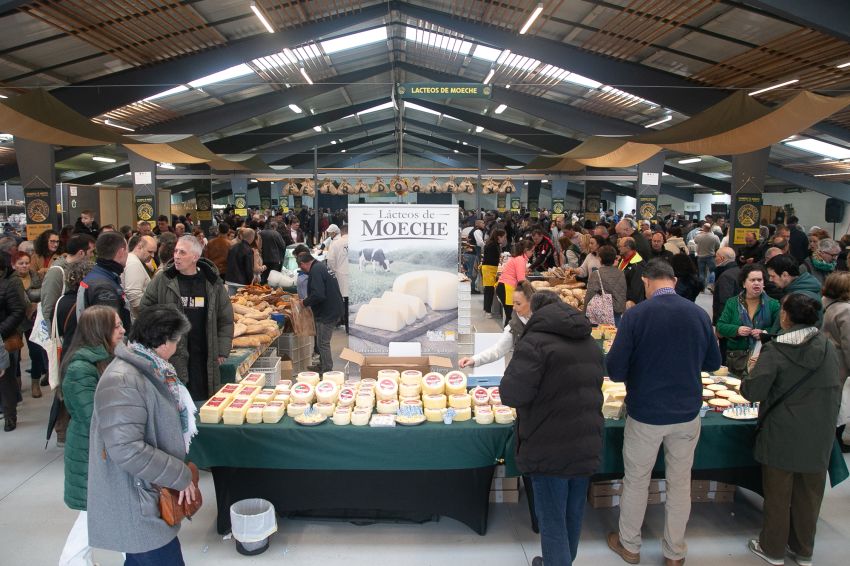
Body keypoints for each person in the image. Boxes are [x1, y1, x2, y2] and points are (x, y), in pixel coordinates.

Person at [606, 259, 721, 566]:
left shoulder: (636, 315)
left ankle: (630, 545)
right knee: (680, 484)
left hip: (646, 412)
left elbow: (615, 370)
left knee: (636, 480)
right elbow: (713, 363)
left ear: (646, 281)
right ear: (673, 280)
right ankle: (674, 553)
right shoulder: (698, 314)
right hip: (686, 412)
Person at [87, 305, 198, 564]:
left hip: (146, 492)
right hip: (136, 500)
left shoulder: (150, 368)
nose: (178, 346)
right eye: (177, 340)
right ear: (164, 342)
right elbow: (127, 449)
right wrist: (180, 476)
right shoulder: (123, 380)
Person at [501, 292, 604, 566]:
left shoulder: (534, 342)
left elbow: (512, 394)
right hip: (586, 442)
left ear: (536, 313)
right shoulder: (588, 341)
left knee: (552, 519)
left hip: (548, 445)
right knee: (572, 513)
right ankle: (560, 560)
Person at [742, 294, 841, 566]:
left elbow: (753, 391)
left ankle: (772, 549)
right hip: (819, 433)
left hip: (782, 433)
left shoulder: (776, 350)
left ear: (785, 316)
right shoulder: (827, 347)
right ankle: (803, 550)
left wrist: (750, 371)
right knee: (810, 496)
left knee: (778, 494)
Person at [58, 305, 125, 566]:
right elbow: (94, 419)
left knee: (112, 516)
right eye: (116, 326)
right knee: (91, 519)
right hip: (92, 456)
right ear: (100, 331)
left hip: (104, 453)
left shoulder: (108, 358)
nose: (123, 330)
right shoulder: (80, 368)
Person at [141, 236, 233, 400]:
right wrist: (159, 339)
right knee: (176, 399)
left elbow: (225, 318)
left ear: (195, 257)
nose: (176, 256)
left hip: (204, 353)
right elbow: (146, 310)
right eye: (176, 251)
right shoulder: (163, 280)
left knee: (203, 399)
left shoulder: (212, 282)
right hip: (173, 354)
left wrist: (222, 350)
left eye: (182, 252)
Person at [716, 264, 780, 377]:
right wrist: (737, 330)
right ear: (744, 284)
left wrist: (764, 333)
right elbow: (720, 326)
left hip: (761, 357)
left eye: (759, 280)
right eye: (752, 280)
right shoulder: (732, 302)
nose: (756, 283)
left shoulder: (773, 304)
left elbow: (779, 330)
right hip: (736, 358)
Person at [459, 281, 537, 369]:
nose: (514, 307)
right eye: (513, 303)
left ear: (531, 302)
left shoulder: (545, 321)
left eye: (518, 303)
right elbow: (498, 349)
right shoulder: (514, 325)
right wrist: (474, 360)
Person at [297, 252, 344, 372]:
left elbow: (318, 295)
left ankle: (327, 370)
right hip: (333, 308)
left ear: (302, 264)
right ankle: (322, 365)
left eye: (300, 267)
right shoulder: (320, 266)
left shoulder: (316, 270)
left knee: (323, 343)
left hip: (328, 312)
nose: (302, 270)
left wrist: (305, 302)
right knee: (320, 342)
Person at [78, 232, 132, 334]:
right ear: (121, 252)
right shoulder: (103, 287)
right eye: (127, 251)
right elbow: (110, 332)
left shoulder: (99, 274)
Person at [821, 271, 850, 452]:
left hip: (828, 360)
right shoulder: (846, 310)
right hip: (841, 365)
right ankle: (838, 445)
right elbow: (849, 344)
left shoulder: (826, 304)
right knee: (842, 406)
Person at [12, 251, 46, 397]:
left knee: (36, 352)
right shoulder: (10, 280)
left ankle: (35, 382)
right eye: (21, 263)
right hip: (15, 321)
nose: (24, 266)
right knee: (15, 354)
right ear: (14, 265)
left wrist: (34, 302)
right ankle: (17, 382)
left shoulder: (36, 277)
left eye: (27, 263)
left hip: (33, 319)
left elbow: (44, 294)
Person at [0, 251, 27, 431]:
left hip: (5, 337)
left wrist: (1, 330)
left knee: (6, 379)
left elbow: (18, 311)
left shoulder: (9, 284)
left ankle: (10, 415)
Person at [765, 254, 823, 326]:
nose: (770, 279)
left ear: (785, 275)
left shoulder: (798, 298)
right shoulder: (807, 288)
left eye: (773, 276)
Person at [584, 245, 627, 323]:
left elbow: (589, 295)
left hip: (604, 315)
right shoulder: (621, 273)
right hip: (618, 313)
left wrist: (584, 313)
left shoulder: (596, 274)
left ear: (600, 259)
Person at [497, 240, 534, 326]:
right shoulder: (520, 259)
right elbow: (521, 279)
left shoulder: (518, 258)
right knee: (511, 316)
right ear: (526, 250)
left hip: (505, 287)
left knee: (510, 315)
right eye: (532, 251)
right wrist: (531, 289)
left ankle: (509, 332)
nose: (532, 253)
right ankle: (509, 333)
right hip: (507, 288)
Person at [122, 234, 157, 319]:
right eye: (150, 252)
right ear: (139, 247)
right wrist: (146, 316)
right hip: (139, 317)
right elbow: (133, 294)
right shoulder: (134, 263)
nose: (153, 256)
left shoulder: (133, 260)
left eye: (154, 252)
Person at [325, 225, 349, 331]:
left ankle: (345, 323)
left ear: (341, 232)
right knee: (353, 301)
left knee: (344, 300)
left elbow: (330, 261)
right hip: (354, 276)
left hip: (341, 275)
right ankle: (351, 326)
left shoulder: (336, 243)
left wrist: (334, 270)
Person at [481, 229, 507, 317]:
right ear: (499, 237)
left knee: (489, 290)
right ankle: (487, 311)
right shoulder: (492, 245)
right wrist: (499, 260)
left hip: (490, 268)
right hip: (489, 269)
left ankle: (486, 309)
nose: (504, 239)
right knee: (489, 290)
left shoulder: (494, 244)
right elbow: (490, 259)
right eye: (504, 237)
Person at [617, 237, 645, 309]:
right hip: (621, 300)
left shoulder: (637, 265)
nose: (618, 248)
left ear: (628, 247)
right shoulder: (623, 259)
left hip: (630, 305)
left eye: (620, 246)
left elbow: (636, 290)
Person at [694, 223, 720, 288]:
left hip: (700, 257)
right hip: (710, 256)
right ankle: (711, 285)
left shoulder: (699, 236)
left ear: (704, 228)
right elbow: (718, 246)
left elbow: (695, 241)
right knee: (712, 272)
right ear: (710, 228)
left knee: (701, 273)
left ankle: (702, 287)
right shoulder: (715, 237)